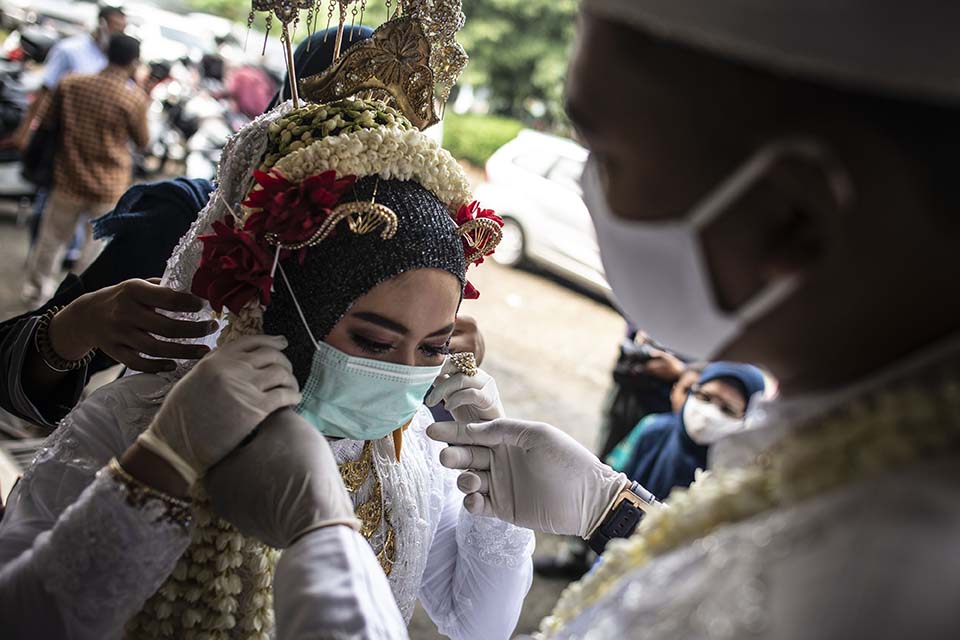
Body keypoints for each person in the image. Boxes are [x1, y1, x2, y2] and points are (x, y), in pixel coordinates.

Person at [0, 56, 533, 638]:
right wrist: (163, 466)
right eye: (374, 341)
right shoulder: (142, 423)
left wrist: (497, 482)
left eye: (434, 347)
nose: (402, 375)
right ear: (286, 310)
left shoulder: (404, 455)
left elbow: (482, 625)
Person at [0, 27, 382, 430]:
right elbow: (13, 369)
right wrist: (81, 323)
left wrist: (441, 358)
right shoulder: (196, 221)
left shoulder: (401, 259)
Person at [22, 34, 150, 304]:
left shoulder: (72, 84)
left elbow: (46, 122)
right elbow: (143, 141)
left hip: (68, 175)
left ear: (106, 51)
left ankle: (36, 295)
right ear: (134, 61)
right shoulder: (134, 99)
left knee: (52, 239)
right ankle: (73, 300)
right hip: (108, 184)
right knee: (94, 246)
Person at [617, 362, 765, 500]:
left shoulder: (739, 474)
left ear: (746, 419)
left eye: (727, 409)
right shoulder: (655, 431)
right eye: (705, 397)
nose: (709, 413)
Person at [603, 359, 705, 472]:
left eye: (702, 397)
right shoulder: (652, 425)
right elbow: (615, 469)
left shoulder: (712, 452)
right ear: (674, 390)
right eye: (687, 390)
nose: (689, 401)